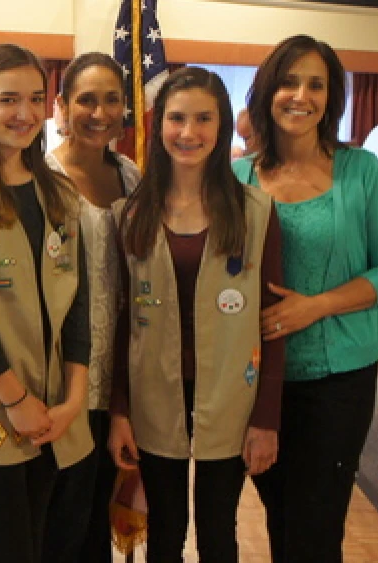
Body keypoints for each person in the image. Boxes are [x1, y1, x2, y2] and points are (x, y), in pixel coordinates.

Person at [0, 51, 138, 562]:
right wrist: (17, 402)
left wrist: (72, 402)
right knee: (8, 549)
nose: (24, 113)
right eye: (8, 99)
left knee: (51, 544)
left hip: (59, 407)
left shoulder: (55, 187)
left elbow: (78, 303)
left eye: (35, 99)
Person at [231, 35, 378, 563]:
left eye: (316, 84)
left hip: (338, 384)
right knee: (279, 514)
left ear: (332, 97)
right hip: (257, 382)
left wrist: (315, 305)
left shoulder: (361, 173)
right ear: (267, 92)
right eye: (289, 82)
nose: (300, 95)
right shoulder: (238, 177)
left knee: (316, 529)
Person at [107, 66, 284, 563]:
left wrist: (267, 418)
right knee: (164, 529)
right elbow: (122, 320)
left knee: (217, 531)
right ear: (159, 123)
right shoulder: (131, 213)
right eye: (177, 118)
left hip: (231, 396)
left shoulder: (256, 211)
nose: (188, 133)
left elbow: (272, 321)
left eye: (203, 119)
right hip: (153, 394)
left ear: (222, 125)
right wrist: (119, 408)